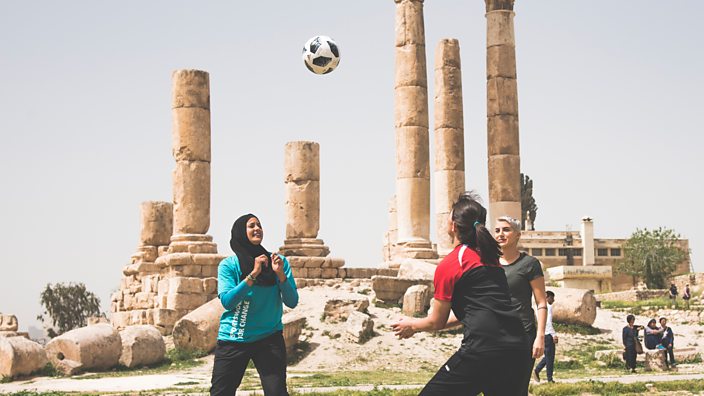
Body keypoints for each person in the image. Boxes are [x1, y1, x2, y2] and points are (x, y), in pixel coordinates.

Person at [391, 192, 530, 395]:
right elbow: (474, 312)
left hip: (484, 348)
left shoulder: (452, 263)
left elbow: (436, 322)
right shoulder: (492, 261)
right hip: (517, 347)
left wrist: (412, 325)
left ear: (453, 226)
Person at [210, 214, 299, 396]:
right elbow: (228, 302)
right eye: (251, 226)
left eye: (259, 225)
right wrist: (253, 274)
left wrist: (280, 275)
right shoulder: (228, 265)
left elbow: (292, 301)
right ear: (241, 232)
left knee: (277, 393)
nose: (257, 228)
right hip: (234, 338)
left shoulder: (278, 263)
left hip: (269, 337)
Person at [494, 215, 547, 392]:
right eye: (497, 230)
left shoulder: (530, 264)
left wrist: (540, 336)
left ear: (517, 234)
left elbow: (541, 302)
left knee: (517, 388)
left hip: (523, 334)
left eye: (506, 229)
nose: (501, 234)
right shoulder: (489, 264)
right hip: (495, 335)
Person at [534, 290, 557, 383]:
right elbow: (548, 323)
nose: (553, 300)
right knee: (550, 358)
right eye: (552, 297)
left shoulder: (540, 307)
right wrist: (554, 334)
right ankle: (549, 379)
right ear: (547, 297)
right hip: (548, 335)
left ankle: (537, 370)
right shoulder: (548, 307)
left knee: (548, 356)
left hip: (544, 334)